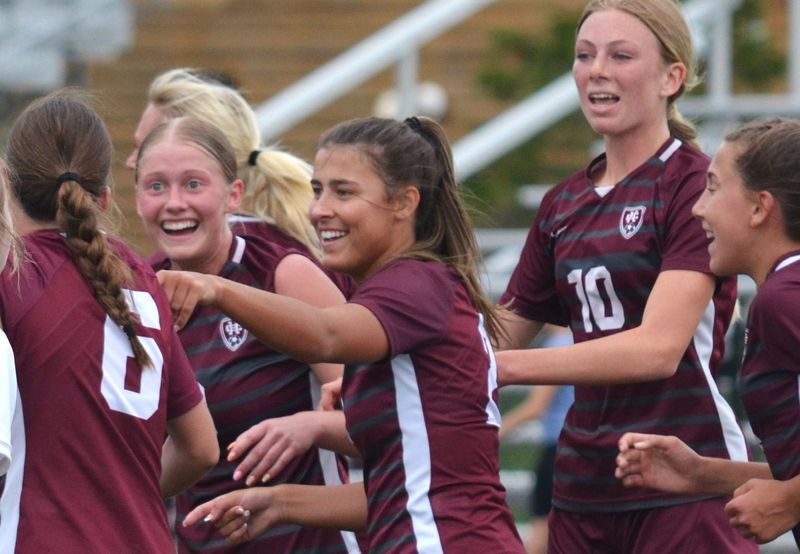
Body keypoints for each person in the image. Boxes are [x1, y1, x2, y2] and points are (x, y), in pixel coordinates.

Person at [161, 115, 526, 552]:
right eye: (318, 190)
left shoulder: (416, 284)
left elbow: (324, 334)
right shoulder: (405, 292)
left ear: (404, 203)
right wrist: (279, 502)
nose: (319, 210)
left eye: (344, 192)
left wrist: (216, 288)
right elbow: (405, 495)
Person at [492, 0, 756, 552]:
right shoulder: (563, 202)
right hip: (583, 485)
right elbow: (493, 336)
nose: (597, 70)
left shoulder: (694, 184)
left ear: (672, 76)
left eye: (621, 55)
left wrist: (500, 366)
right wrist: (393, 367)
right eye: (585, 55)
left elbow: (656, 350)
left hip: (686, 474)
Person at [0, 90, 218, 552]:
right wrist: (114, 497)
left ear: (8, 182)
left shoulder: (14, 277)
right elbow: (201, 448)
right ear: (103, 197)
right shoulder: (144, 279)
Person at [134, 114, 360, 553]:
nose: (174, 202)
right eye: (156, 186)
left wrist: (307, 426)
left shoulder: (281, 272)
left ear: (233, 195)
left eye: (194, 184)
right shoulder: (140, 293)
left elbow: (381, 418)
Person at [614, 117, 800, 547]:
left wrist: (792, 498)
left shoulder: (785, 299)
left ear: (760, 207)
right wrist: (704, 473)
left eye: (713, 187)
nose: (699, 207)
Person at [498, 327, 574, 554]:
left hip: (557, 450)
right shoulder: (578, 339)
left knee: (540, 538)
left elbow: (536, 407)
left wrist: (491, 433)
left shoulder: (560, 344)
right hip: (574, 446)